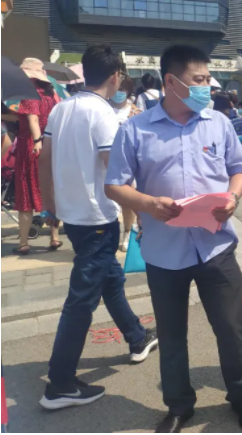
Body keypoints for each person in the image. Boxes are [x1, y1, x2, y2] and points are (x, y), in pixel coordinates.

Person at [105, 44, 242, 433]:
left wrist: (233, 197)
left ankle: (241, 398)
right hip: (164, 251)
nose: (208, 87)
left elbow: (241, 169)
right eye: (200, 79)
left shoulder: (217, 123)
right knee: (172, 335)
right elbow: (114, 185)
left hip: (216, 247)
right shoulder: (135, 129)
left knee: (231, 330)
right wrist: (148, 204)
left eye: (208, 79)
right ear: (172, 82)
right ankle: (179, 405)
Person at [38, 45, 158, 410]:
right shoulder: (103, 114)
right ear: (116, 76)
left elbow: (43, 160)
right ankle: (60, 384)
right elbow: (116, 171)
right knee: (81, 301)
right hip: (97, 218)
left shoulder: (61, 108)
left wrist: (49, 206)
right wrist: (142, 211)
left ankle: (136, 337)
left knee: (110, 280)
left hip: (73, 215)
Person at [13, 58, 60, 255]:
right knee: (50, 190)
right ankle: (54, 237)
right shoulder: (51, 94)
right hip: (51, 145)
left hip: (30, 146)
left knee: (26, 195)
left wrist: (36, 140)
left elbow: (32, 119)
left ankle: (24, 243)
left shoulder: (29, 92)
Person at [109, 73, 143, 251]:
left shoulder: (136, 112)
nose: (118, 92)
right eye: (116, 88)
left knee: (127, 200)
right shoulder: (103, 108)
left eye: (122, 89)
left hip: (128, 161)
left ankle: (128, 231)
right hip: (105, 159)